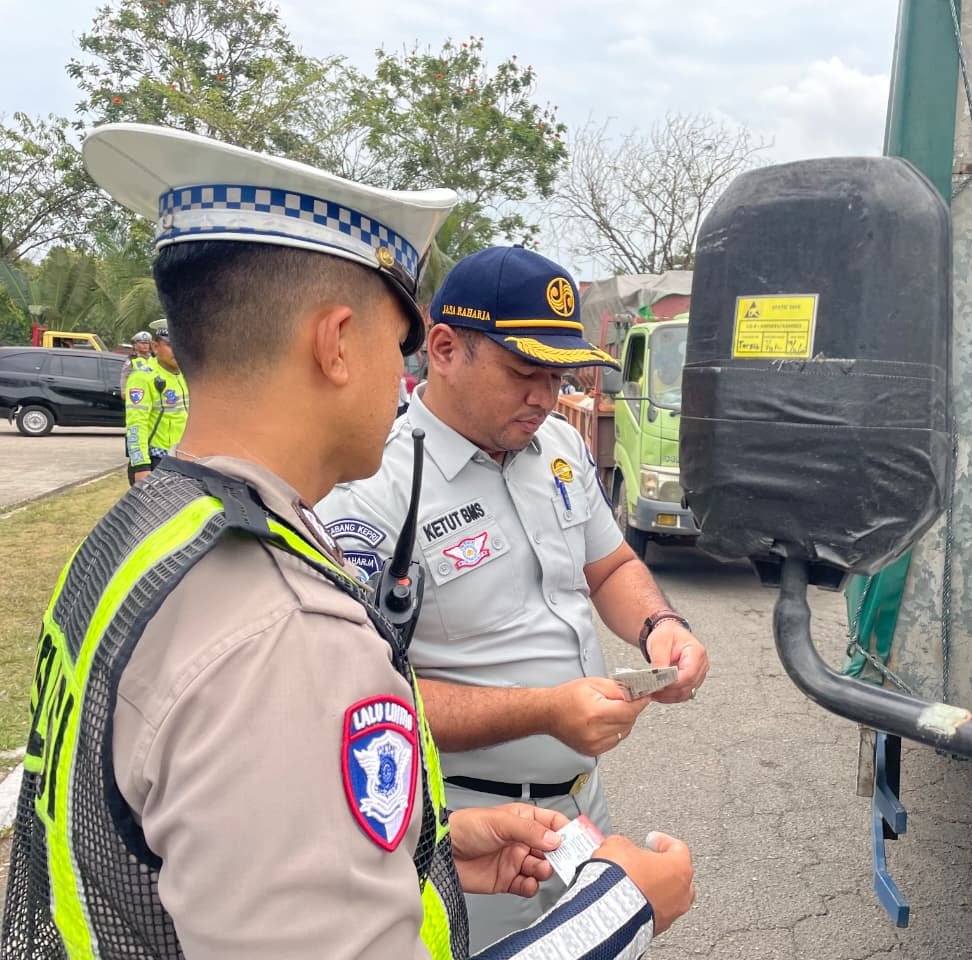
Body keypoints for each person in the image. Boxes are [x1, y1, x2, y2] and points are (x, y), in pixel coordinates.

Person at [2, 123, 694, 959]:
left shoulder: (149, 530)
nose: (548, 398)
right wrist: (621, 907)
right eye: (395, 339)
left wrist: (437, 845)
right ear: (337, 342)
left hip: (508, 821)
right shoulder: (288, 625)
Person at [317, 245, 710, 949]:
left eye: (557, 373)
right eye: (523, 372)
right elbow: (358, 707)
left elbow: (610, 564)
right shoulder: (375, 488)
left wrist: (659, 625)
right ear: (443, 348)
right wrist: (546, 712)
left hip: (582, 812)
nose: (545, 395)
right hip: (462, 840)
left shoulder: (558, 445)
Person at [124, 319, 190, 484]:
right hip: (157, 462)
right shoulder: (143, 377)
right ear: (155, 346)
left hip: (183, 460)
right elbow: (136, 425)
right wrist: (141, 467)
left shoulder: (185, 375)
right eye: (170, 345)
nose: (177, 350)